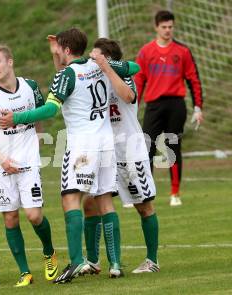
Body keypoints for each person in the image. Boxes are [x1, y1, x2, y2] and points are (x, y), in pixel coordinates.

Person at [0, 28, 139, 282]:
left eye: (58, 48)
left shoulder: (68, 74)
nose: (56, 51)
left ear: (67, 49)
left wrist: (16, 118)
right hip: (106, 143)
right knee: (105, 201)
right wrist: (106, 65)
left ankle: (75, 262)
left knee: (70, 200)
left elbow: (50, 109)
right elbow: (134, 67)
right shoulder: (97, 64)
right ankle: (115, 263)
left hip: (82, 146)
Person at [0, 44, 58, 287]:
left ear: (10, 61)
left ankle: (49, 252)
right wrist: (1, 159)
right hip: (2, 165)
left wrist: (36, 145)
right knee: (10, 218)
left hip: (29, 162)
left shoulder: (31, 87)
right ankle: (25, 272)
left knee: (34, 216)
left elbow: (41, 115)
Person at [81, 38, 160, 275]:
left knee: (143, 206)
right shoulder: (92, 80)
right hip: (104, 151)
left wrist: (107, 67)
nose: (92, 60)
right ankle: (93, 261)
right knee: (90, 204)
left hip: (130, 150)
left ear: (107, 59)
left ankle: (151, 260)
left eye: (96, 56)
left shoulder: (122, 75)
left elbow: (127, 97)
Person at [134, 10, 203, 206]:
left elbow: (193, 79)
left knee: (173, 147)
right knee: (148, 148)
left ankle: (175, 193)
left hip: (176, 105)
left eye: (170, 27)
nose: (167, 30)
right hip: (154, 106)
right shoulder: (145, 52)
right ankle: (146, 192)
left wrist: (198, 107)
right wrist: (132, 108)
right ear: (156, 27)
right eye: (163, 27)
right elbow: (139, 82)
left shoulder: (182, 51)